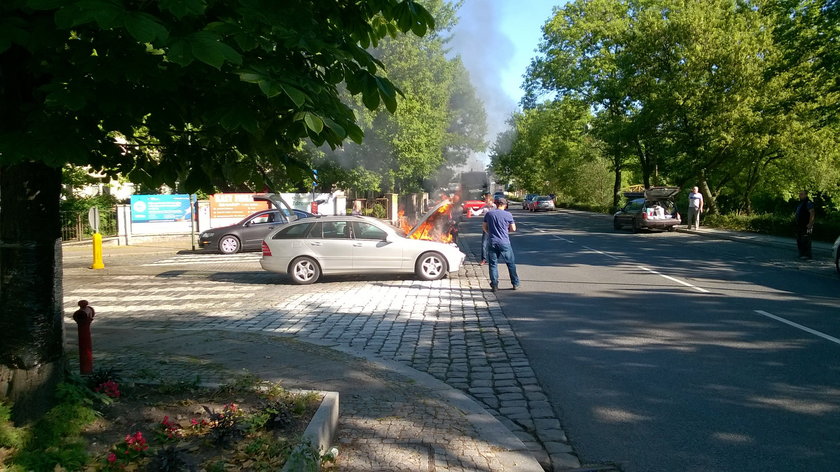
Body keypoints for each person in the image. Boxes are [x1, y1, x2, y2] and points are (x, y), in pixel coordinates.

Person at [483, 198, 520, 292]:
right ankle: (515, 283)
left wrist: (490, 233)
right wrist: (506, 231)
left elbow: (484, 227)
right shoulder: (508, 214)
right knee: (510, 263)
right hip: (504, 242)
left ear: (496, 204)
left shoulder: (489, 214)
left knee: (493, 264)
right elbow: (513, 228)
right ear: (505, 205)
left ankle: (494, 285)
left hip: (492, 242)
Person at [470, 194, 496, 264]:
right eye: (485, 200)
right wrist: (471, 210)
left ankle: (493, 259)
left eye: (487, 200)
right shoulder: (484, 207)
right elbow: (477, 213)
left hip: (494, 227)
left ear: (491, 200)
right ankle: (484, 259)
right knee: (484, 244)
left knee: (494, 244)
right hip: (487, 227)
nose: (485, 201)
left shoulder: (495, 207)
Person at [795, 190, 815, 259]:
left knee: (805, 240)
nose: (800, 195)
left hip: (806, 225)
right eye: (799, 194)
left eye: (801, 194)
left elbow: (812, 213)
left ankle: (806, 255)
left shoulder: (808, 203)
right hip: (800, 225)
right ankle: (802, 254)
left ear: (806, 195)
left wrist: (810, 223)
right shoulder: (801, 203)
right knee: (799, 240)